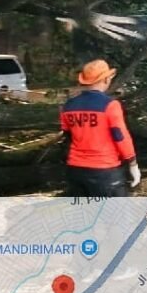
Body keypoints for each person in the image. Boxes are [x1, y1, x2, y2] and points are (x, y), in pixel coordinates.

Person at [60, 59, 140, 197]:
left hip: (75, 170)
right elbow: (120, 137)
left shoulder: (68, 106)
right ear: (106, 79)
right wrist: (133, 164)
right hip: (105, 171)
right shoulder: (110, 105)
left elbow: (67, 136)